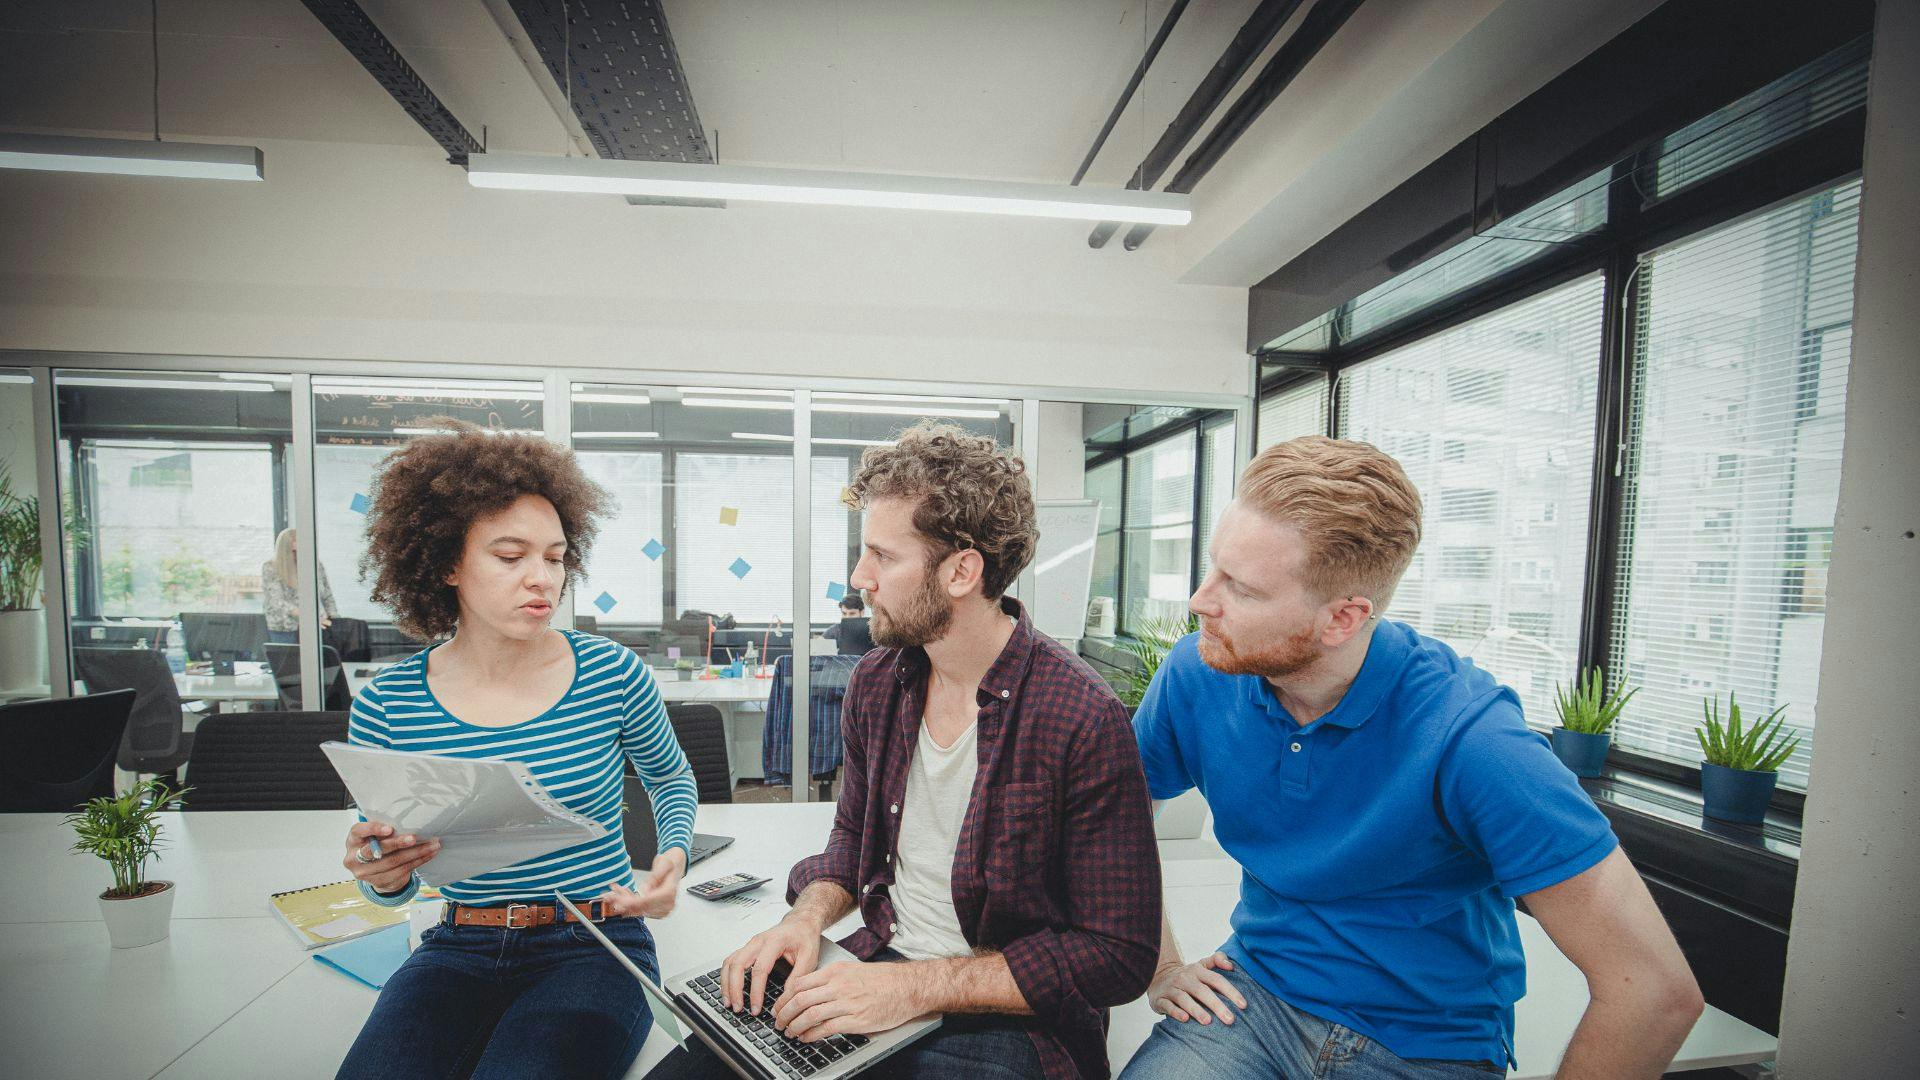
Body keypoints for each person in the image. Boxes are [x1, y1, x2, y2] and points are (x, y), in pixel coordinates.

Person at [1120, 437, 1703, 1079]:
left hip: (1426, 1045)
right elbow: (1110, 820)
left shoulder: (1474, 738)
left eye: (1242, 588)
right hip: (1251, 1001)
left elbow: (1654, 990)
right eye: (1213, 568)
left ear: (1344, 618)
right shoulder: (1199, 673)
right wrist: (1163, 964)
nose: (1202, 601)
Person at [662, 422, 1161, 1080]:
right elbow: (850, 844)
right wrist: (806, 922)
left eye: (883, 556)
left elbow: (1117, 954)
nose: (859, 576)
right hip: (873, 968)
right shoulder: (879, 682)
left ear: (961, 571)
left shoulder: (1080, 717)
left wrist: (914, 989)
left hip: (1006, 1025)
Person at [332, 422, 700, 1080]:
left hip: (593, 942)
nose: (542, 578)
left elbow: (670, 778)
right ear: (447, 563)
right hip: (458, 944)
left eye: (555, 557)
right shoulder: (388, 704)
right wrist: (385, 877)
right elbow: (397, 873)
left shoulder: (612, 673)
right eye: (510, 556)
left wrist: (671, 855)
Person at [262, 527, 337, 643]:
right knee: (290, 661)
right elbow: (276, 601)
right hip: (285, 628)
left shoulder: (316, 565)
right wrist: (309, 617)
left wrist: (335, 619)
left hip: (314, 626)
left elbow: (327, 595)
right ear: (290, 547)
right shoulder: (271, 567)